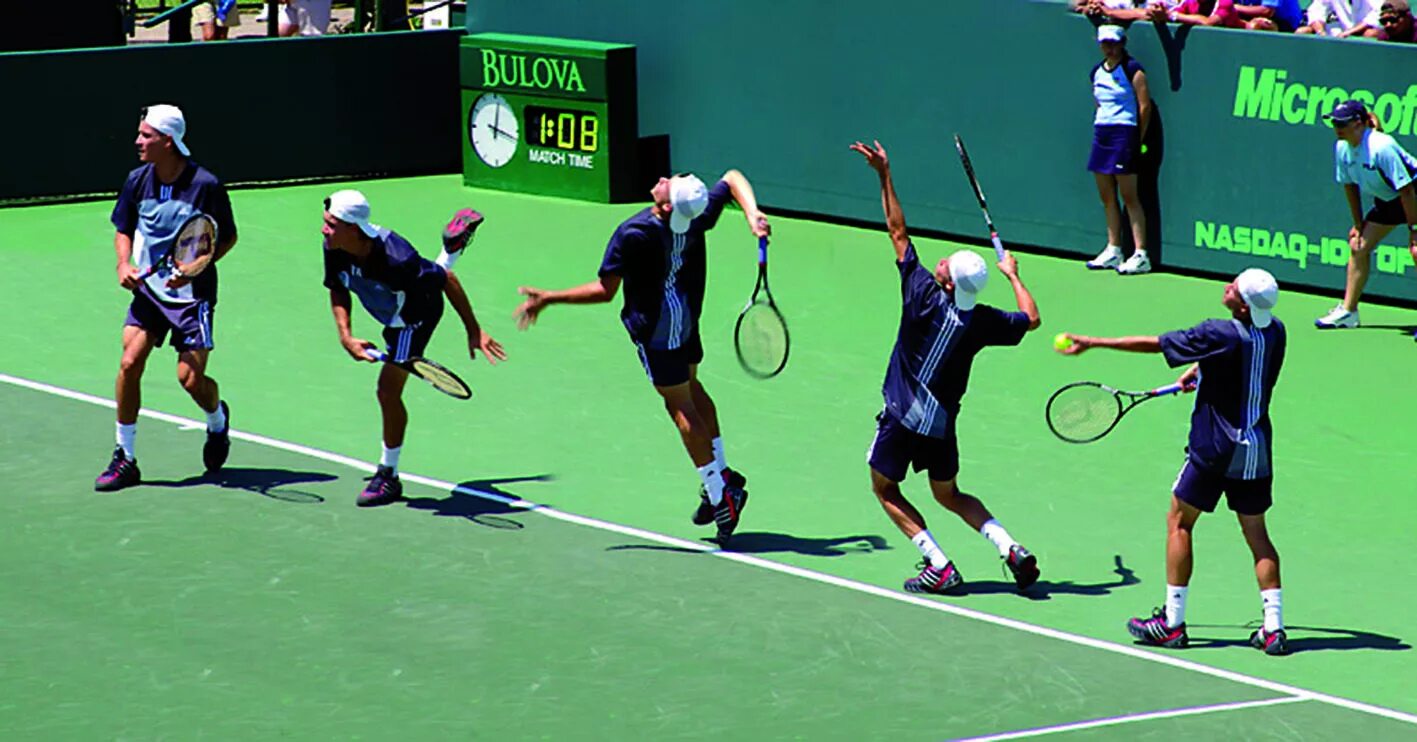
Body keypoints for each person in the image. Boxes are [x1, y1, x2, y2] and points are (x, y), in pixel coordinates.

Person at [513, 171, 769, 546]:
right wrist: (752, 214)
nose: (664, 177)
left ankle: (719, 493)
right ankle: (722, 475)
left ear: (667, 205)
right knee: (692, 389)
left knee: (679, 406)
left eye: (671, 182)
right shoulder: (696, 215)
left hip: (659, 329)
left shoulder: (634, 233)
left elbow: (605, 291)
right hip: (686, 317)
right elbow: (731, 179)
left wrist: (549, 297)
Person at [1057, 268, 1290, 655]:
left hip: (1215, 448)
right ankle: (1274, 629)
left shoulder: (1218, 332)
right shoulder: (1276, 329)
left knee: (1179, 523)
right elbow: (1241, 358)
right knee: (1258, 536)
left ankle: (1172, 623)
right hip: (1256, 451)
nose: (1228, 285)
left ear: (1245, 306)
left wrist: (1093, 341)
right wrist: (1199, 370)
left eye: (1236, 288)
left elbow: (1156, 343)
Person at [849, 140, 1043, 595]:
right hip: (940, 425)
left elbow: (897, 230)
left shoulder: (920, 293)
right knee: (949, 495)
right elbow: (1032, 318)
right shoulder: (982, 322)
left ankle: (938, 564)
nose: (940, 261)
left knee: (884, 489)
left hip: (901, 416)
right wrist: (1013, 274)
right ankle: (1010, 548)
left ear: (947, 281)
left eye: (946, 264)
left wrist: (884, 174)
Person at [321, 191, 506, 506]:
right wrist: (346, 336)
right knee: (424, 275)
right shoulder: (334, 245)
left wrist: (474, 330)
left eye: (332, 224)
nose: (324, 229)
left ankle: (388, 476)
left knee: (387, 391)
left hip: (413, 317)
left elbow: (447, 281)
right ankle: (452, 246)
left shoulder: (396, 257)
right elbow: (337, 287)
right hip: (391, 301)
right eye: (325, 222)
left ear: (353, 227)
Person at [96, 104, 239, 492]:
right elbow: (123, 228)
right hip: (148, 294)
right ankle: (125, 457)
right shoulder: (137, 180)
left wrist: (193, 267)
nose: (137, 141)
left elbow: (225, 237)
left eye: (146, 135)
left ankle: (217, 421)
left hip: (192, 298)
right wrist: (123, 263)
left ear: (168, 141)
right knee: (129, 363)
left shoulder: (205, 185)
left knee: (190, 380)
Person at [1312, 99, 1417, 331]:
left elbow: (1408, 191)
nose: (1336, 128)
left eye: (1342, 123)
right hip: (1390, 202)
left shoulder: (1382, 146)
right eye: (1334, 123)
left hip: (1413, 196)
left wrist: (1414, 230)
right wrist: (1358, 224)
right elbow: (1350, 186)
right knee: (1358, 247)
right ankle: (1349, 312)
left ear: (1358, 123)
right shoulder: (1342, 148)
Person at [1085, 25, 1154, 275]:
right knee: (1106, 196)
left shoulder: (1133, 70)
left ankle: (1141, 254)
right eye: (1105, 43)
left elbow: (1144, 106)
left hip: (1124, 133)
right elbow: (1099, 104)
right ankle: (1114, 249)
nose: (1109, 48)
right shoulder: (1096, 72)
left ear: (1123, 43)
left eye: (1113, 43)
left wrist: (1137, 139)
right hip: (1102, 132)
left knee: (1129, 197)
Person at [1294, 0, 1382, 37]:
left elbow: (1375, 15)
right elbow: (1316, 10)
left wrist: (1349, 32)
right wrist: (1320, 31)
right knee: (1302, 31)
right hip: (1338, 30)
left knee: (1369, 34)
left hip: (1363, 30)